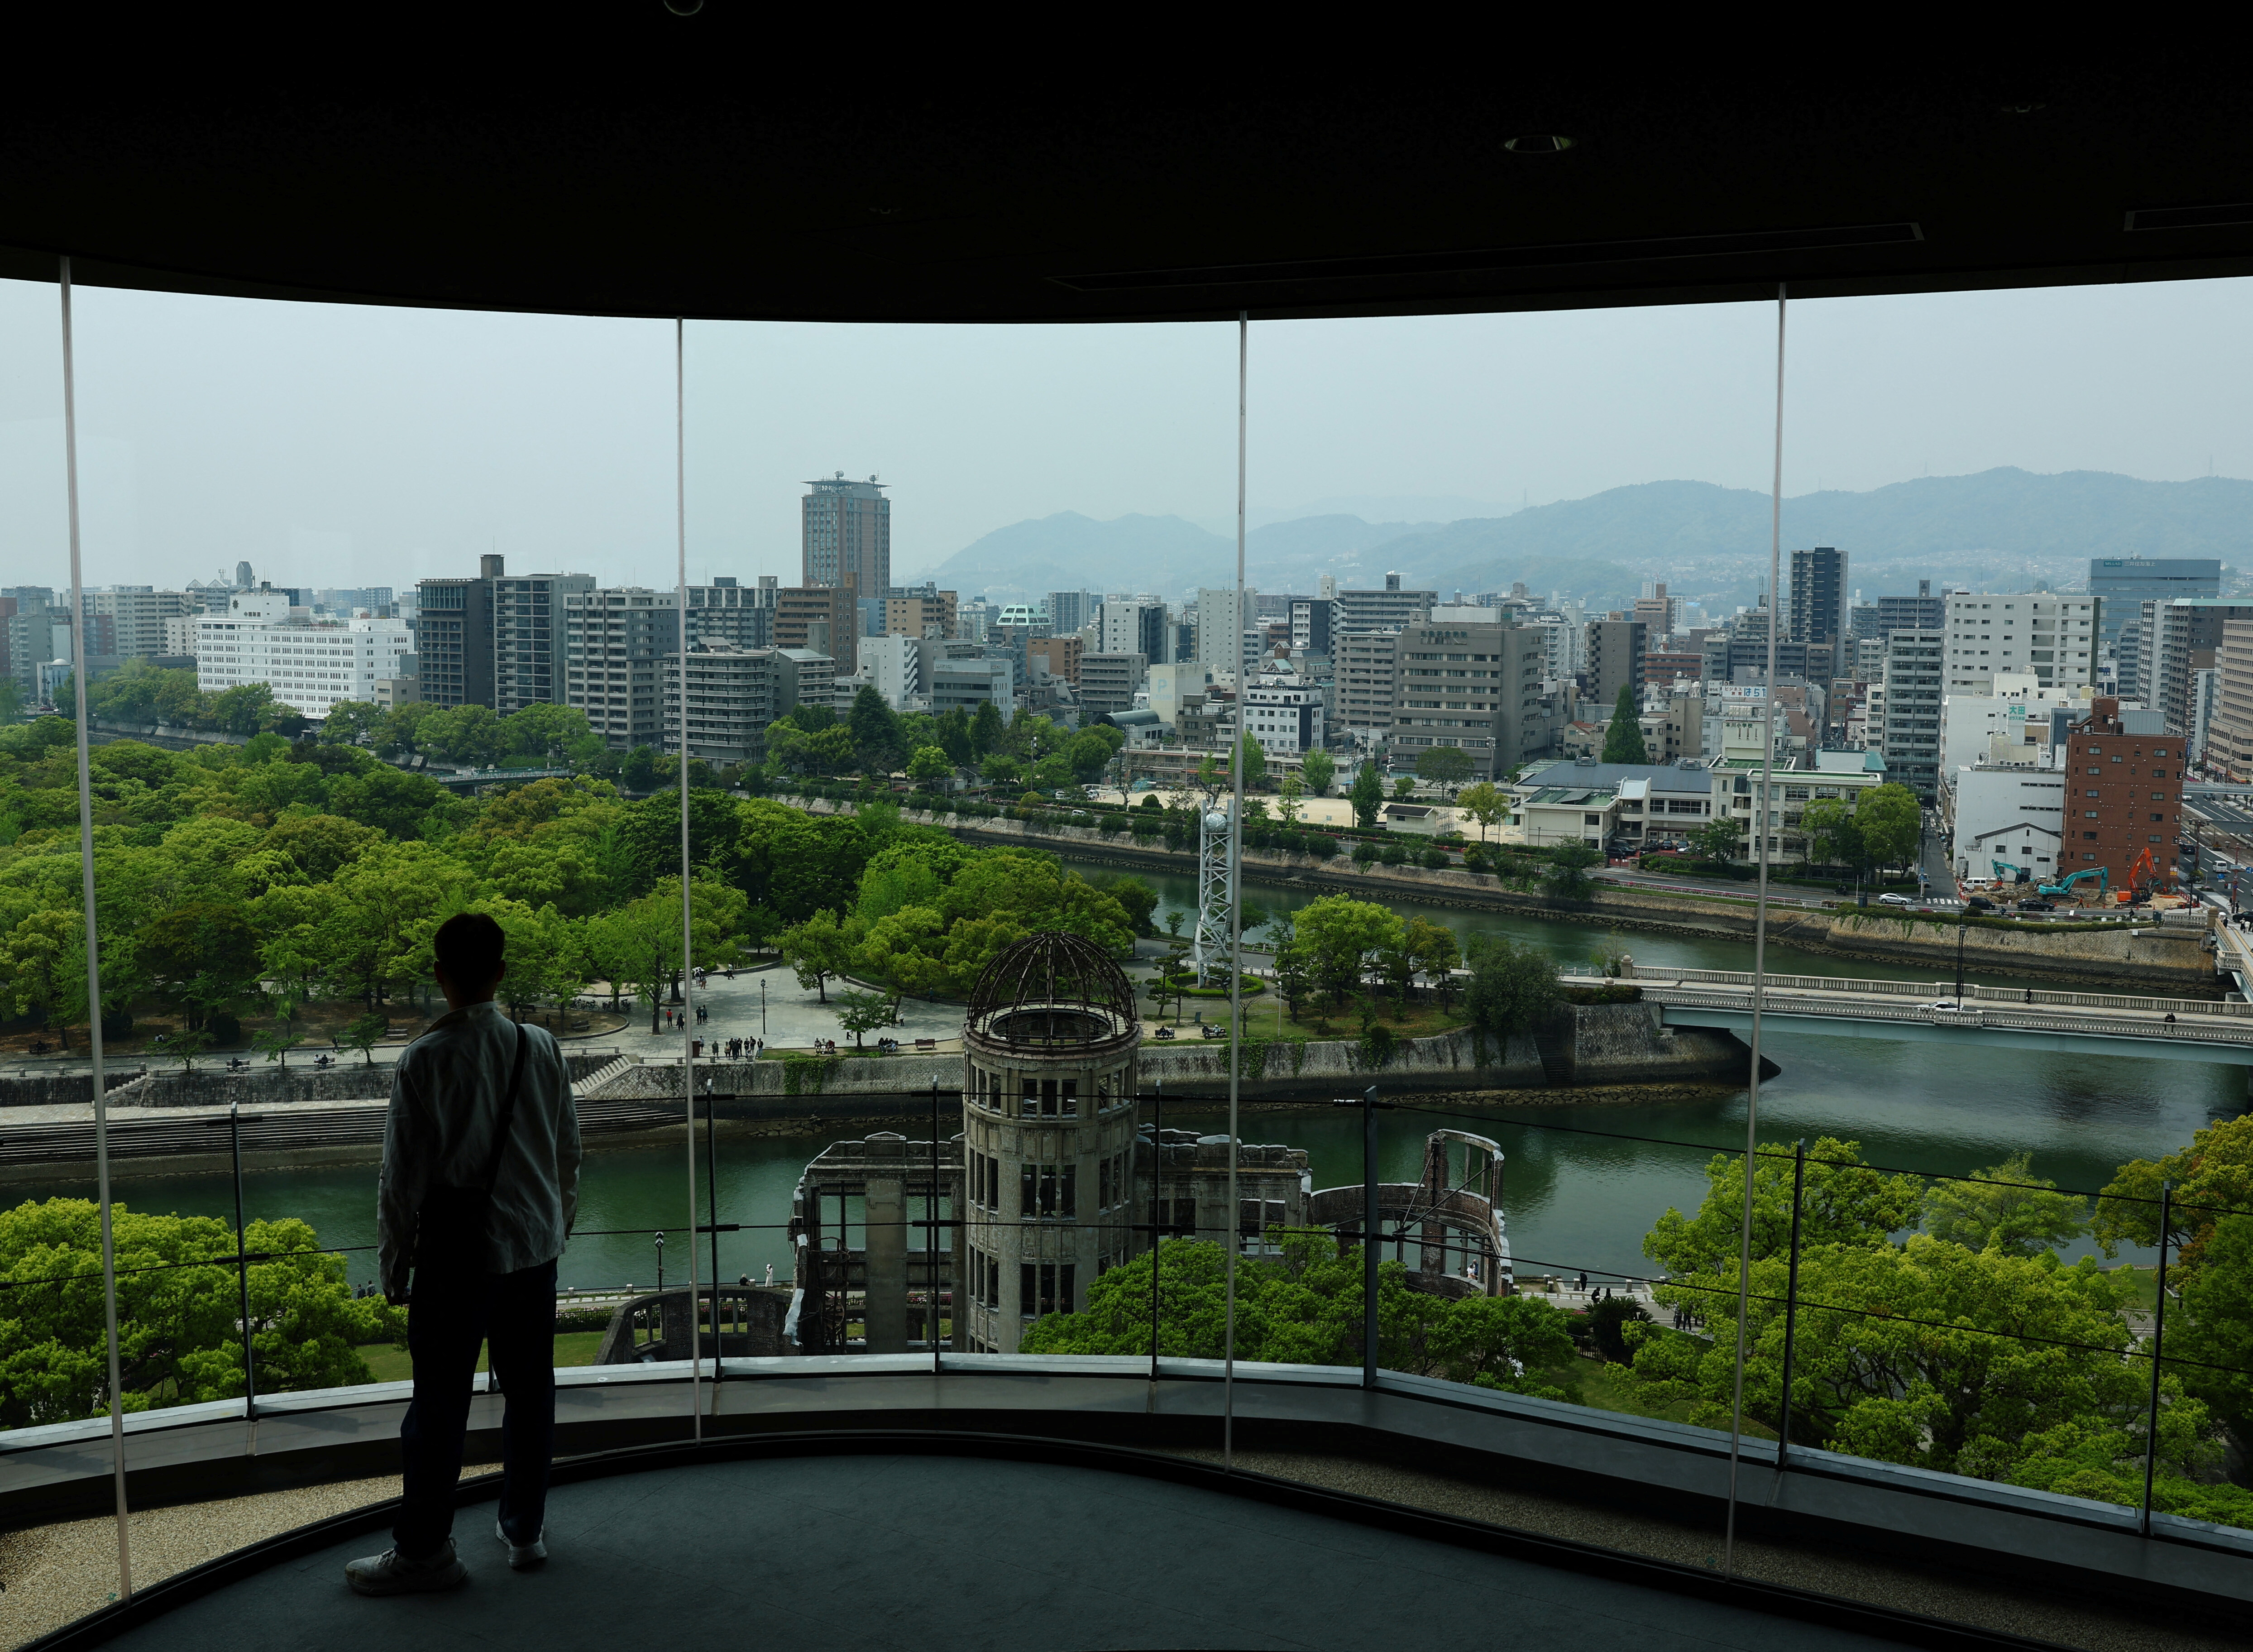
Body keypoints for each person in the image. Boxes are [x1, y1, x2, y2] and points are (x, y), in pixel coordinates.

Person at [348, 912, 582, 1597]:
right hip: (533, 1251)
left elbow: (403, 1177)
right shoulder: (541, 1047)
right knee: (531, 1392)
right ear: (501, 973)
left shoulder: (425, 1058)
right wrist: (554, 1228)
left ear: (440, 975)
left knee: (439, 1407)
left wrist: (394, 1263)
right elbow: (567, 1152)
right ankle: (525, 1527)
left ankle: (425, 1551)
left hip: (456, 1255)